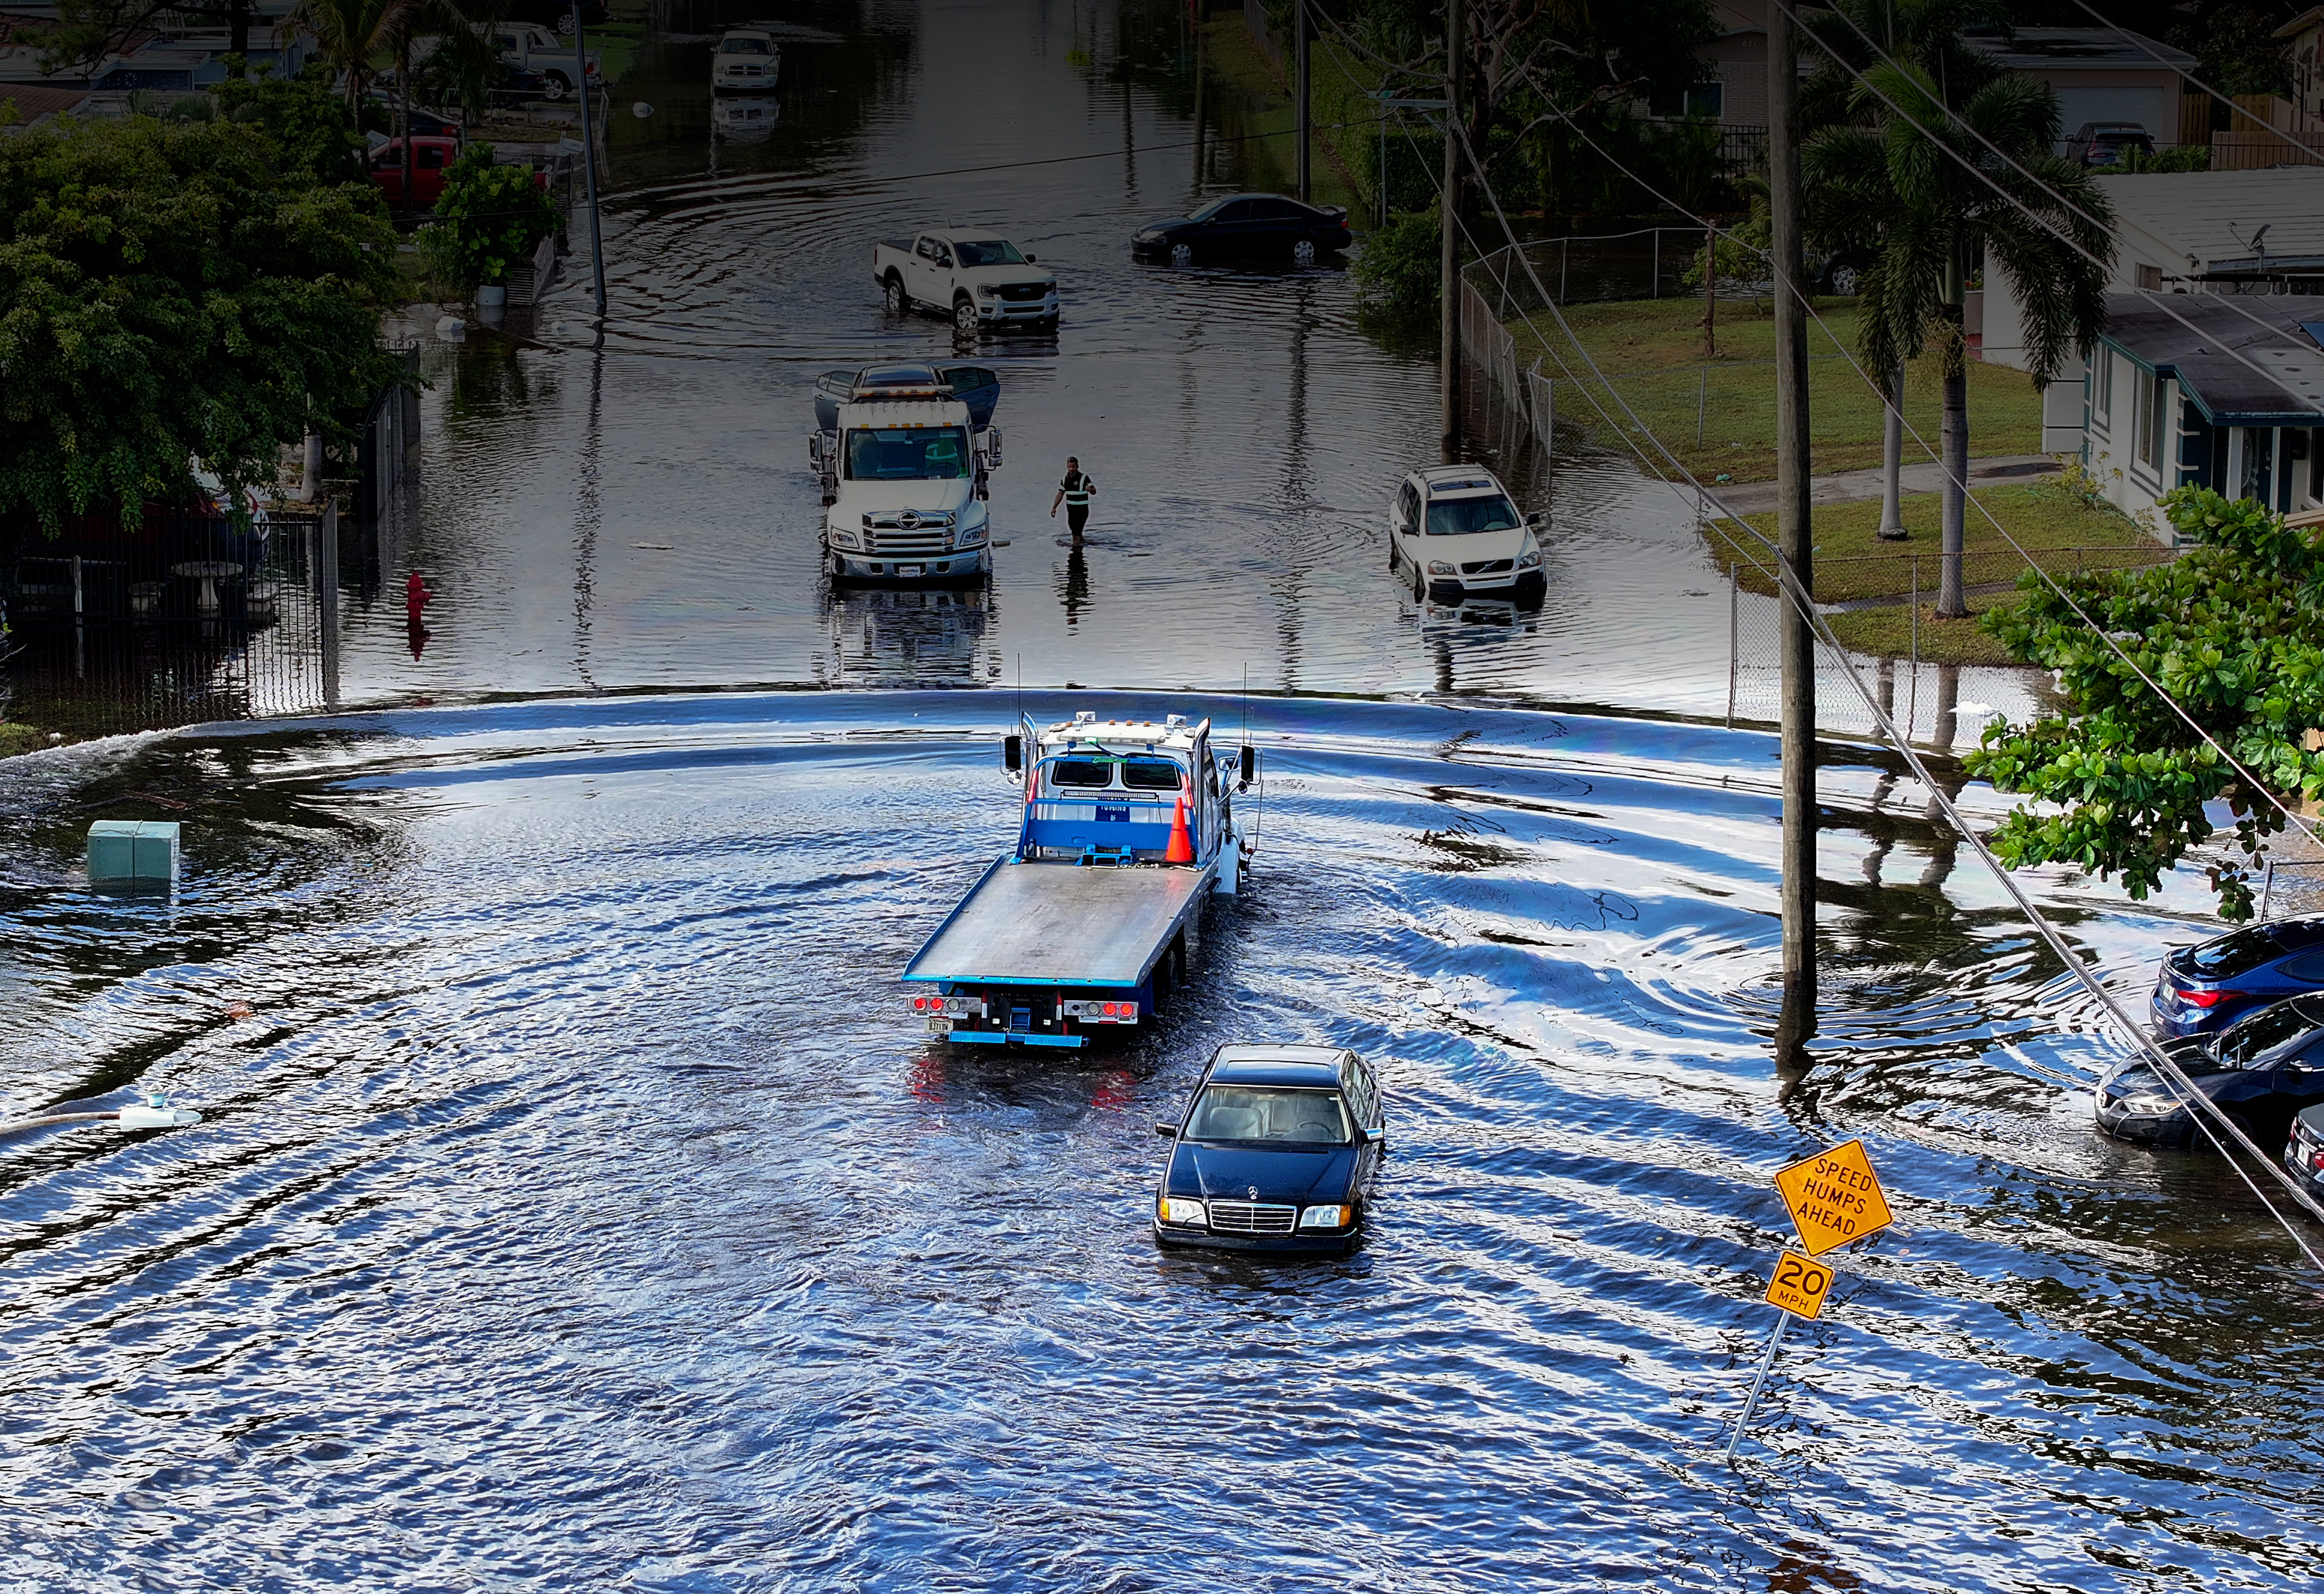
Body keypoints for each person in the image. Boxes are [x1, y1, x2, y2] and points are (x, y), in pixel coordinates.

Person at [1050, 456, 1096, 539]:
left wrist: (1090, 489)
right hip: (1071, 512)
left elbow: (1094, 491)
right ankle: (1082, 546)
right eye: (1070, 467)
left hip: (1082, 511)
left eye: (1074, 467)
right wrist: (1054, 508)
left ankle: (1076, 550)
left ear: (1077, 467)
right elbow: (1060, 493)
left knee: (1075, 534)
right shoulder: (1065, 479)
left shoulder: (1084, 478)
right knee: (1076, 532)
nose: (1072, 469)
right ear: (1067, 467)